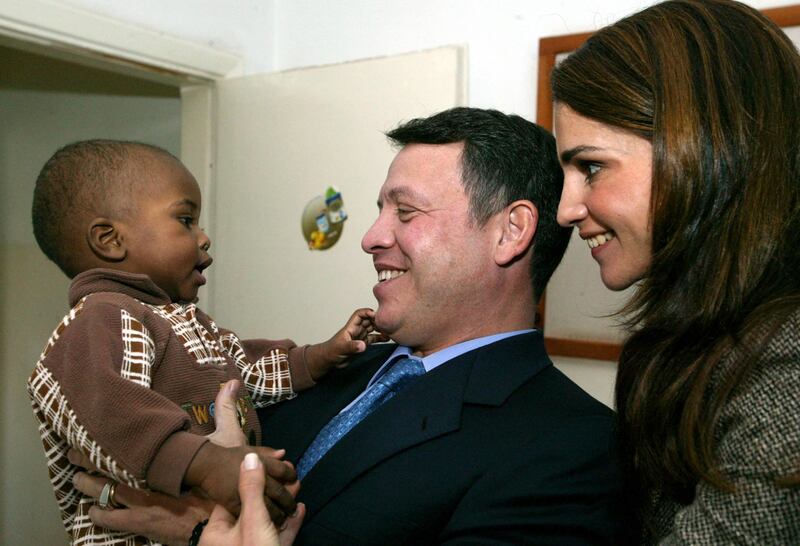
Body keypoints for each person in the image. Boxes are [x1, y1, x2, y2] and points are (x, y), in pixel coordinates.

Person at [74, 107, 632, 545]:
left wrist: (200, 533)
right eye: (379, 211)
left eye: (405, 212)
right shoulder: (322, 373)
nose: (370, 237)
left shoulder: (572, 450)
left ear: (511, 231)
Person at [28, 139, 382, 545]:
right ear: (109, 240)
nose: (204, 237)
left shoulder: (186, 322)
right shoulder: (100, 317)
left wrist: (317, 358)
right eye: (185, 220)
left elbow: (244, 371)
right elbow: (108, 413)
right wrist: (208, 465)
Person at [551, 0, 800, 543]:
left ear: (707, 148)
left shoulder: (786, 368)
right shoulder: (701, 343)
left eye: (590, 167)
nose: (566, 210)